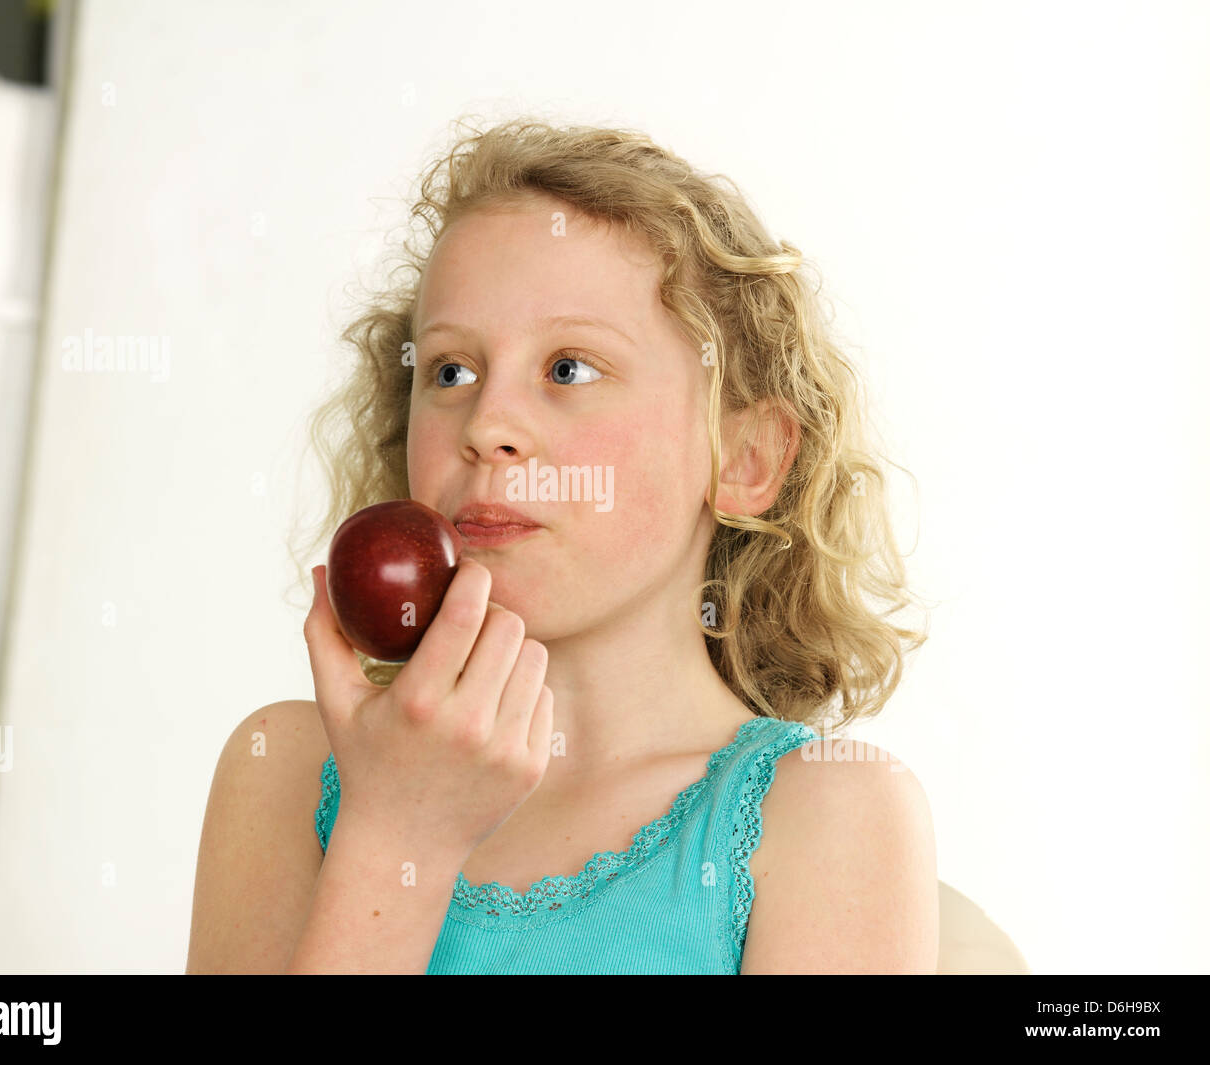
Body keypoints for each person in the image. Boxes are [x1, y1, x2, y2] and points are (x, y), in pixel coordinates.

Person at [186, 116, 939, 975]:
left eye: (569, 368)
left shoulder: (832, 815)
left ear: (745, 458)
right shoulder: (285, 770)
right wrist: (395, 836)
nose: (487, 424)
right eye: (450, 372)